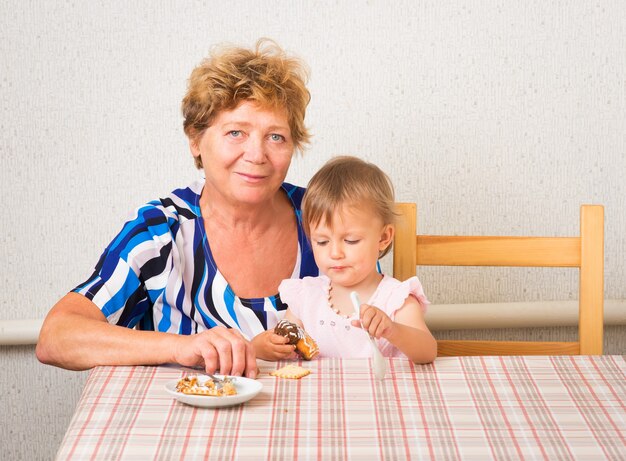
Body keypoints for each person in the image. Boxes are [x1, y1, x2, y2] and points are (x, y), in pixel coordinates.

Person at [36, 38, 319, 378]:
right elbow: (57, 337)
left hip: (306, 426)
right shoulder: (160, 230)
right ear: (195, 140)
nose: (257, 155)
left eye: (276, 137)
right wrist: (181, 346)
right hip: (187, 430)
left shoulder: (323, 217)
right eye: (235, 133)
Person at [277, 156, 437, 363]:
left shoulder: (396, 299)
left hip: (382, 394)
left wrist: (392, 330)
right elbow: (285, 343)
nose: (335, 253)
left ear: (383, 237)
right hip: (320, 395)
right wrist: (269, 347)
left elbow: (427, 352)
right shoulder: (306, 296)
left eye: (351, 241)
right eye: (322, 242)